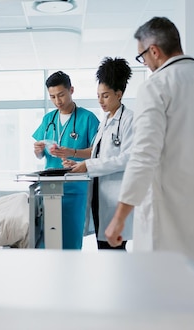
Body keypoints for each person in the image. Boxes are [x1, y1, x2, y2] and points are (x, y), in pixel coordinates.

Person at [104, 17, 194, 292]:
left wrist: (120, 216)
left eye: (142, 56)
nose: (144, 63)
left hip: (168, 225)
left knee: (168, 303)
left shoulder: (156, 87)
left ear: (154, 51)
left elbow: (144, 155)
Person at [63, 57, 134, 250]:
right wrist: (76, 164)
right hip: (99, 196)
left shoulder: (129, 120)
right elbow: (98, 155)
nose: (100, 101)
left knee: (114, 252)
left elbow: (128, 158)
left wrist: (89, 166)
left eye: (105, 96)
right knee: (105, 250)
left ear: (119, 94)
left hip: (115, 197)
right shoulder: (106, 121)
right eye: (98, 96)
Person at [32, 71, 100, 249]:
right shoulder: (49, 119)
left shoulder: (88, 118)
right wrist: (38, 151)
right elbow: (41, 155)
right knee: (47, 237)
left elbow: (97, 151)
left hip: (76, 184)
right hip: (50, 184)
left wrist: (73, 152)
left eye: (61, 95)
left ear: (71, 90)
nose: (57, 101)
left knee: (71, 236)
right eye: (52, 97)